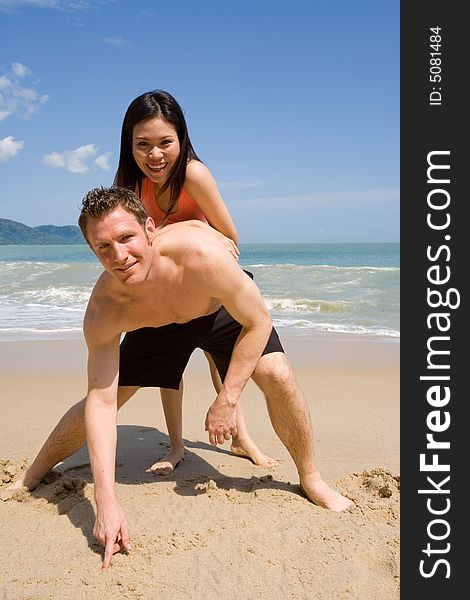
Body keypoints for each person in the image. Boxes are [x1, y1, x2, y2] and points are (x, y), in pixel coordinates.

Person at [5, 187, 353, 569]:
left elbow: (258, 322)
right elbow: (101, 403)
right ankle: (34, 474)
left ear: (149, 229)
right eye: (103, 247)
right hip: (157, 326)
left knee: (277, 372)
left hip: (218, 310)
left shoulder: (202, 258)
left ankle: (312, 478)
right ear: (92, 251)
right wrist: (107, 503)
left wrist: (228, 398)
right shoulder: (105, 308)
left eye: (126, 238)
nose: (119, 256)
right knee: (108, 395)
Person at [113, 89, 276, 474]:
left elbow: (230, 238)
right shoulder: (128, 184)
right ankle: (175, 447)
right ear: (129, 145)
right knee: (170, 366)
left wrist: (183, 229)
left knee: (221, 361)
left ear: (181, 139)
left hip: (208, 280)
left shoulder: (193, 173)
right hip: (162, 285)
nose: (155, 155)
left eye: (165, 143)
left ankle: (242, 437)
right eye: (143, 144)